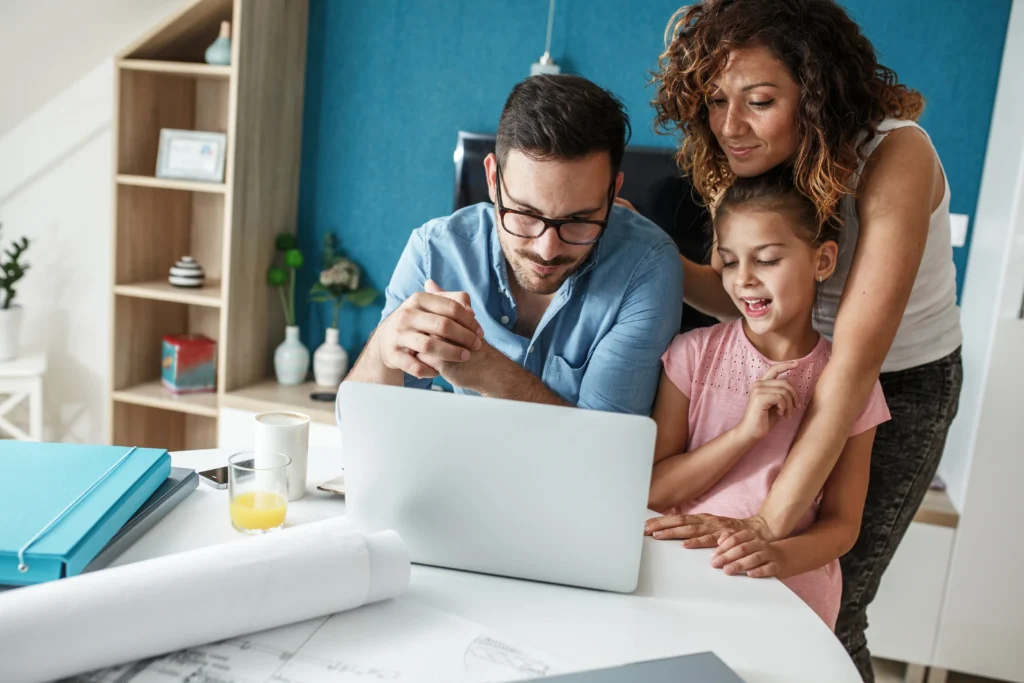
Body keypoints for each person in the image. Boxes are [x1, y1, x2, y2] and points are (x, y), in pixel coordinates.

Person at [646, 0, 963, 678]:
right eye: (715, 100)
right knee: (746, 587)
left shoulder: (896, 155)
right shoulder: (762, 149)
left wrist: (768, 525)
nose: (731, 125)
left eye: (758, 100)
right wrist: (644, 254)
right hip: (799, 365)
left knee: (833, 601)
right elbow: (744, 295)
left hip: (890, 380)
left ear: (816, 94)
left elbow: (853, 363)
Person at [343, 74, 683, 416]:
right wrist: (383, 347)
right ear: (493, 179)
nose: (547, 250)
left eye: (579, 220)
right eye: (525, 214)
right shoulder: (435, 251)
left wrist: (489, 372)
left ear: (613, 192)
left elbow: (609, 455)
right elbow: (359, 426)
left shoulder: (647, 266)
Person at [644, 168, 890, 629]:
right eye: (731, 261)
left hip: (788, 597)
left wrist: (772, 557)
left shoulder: (850, 384)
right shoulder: (692, 354)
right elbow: (653, 490)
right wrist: (744, 434)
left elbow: (842, 525)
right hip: (681, 583)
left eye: (768, 260)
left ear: (823, 260)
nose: (744, 280)